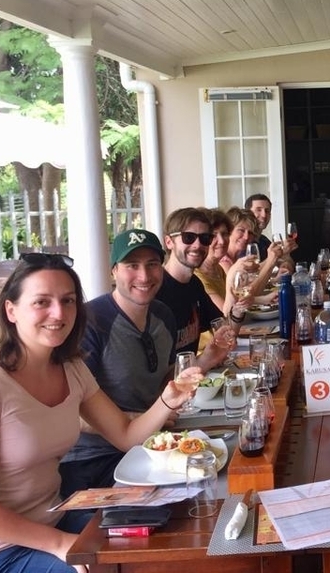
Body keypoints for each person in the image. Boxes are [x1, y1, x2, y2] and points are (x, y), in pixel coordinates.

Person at [0, 253, 200, 572]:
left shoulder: (71, 368)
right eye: (41, 302)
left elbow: (125, 435)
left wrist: (167, 400)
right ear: (11, 310)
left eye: (68, 300)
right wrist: (60, 543)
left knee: (162, 534)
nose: (58, 312)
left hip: (53, 519)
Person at [58, 229, 188, 529]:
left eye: (152, 264)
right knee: (165, 523)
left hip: (148, 449)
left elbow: (164, 377)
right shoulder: (91, 323)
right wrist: (144, 418)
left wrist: (185, 383)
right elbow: (72, 413)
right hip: (92, 462)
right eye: (132, 265)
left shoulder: (163, 315)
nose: (144, 275)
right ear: (113, 270)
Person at [155, 207, 228, 372]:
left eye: (205, 238)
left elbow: (223, 328)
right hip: (167, 392)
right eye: (188, 237)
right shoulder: (155, 291)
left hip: (193, 382)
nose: (197, 245)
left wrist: (238, 311)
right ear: (169, 242)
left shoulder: (194, 284)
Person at [245, 193, 297, 269]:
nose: (264, 215)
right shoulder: (244, 241)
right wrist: (280, 254)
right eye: (258, 210)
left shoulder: (263, 240)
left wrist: (285, 260)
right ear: (248, 213)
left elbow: (288, 263)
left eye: (267, 211)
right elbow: (250, 271)